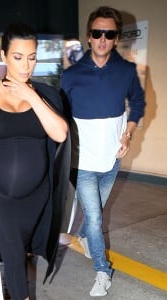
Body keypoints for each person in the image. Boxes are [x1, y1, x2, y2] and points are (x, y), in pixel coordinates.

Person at [0, 22, 69, 300]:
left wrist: (30, 94)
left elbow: (60, 133)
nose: (25, 65)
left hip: (34, 197)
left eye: (31, 57)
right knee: (14, 251)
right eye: (18, 57)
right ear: (4, 55)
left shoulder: (48, 94)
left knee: (17, 250)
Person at [60, 6, 146, 297]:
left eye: (109, 34)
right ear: (88, 37)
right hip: (83, 162)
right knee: (96, 217)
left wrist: (128, 133)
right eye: (97, 33)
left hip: (112, 161)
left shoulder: (126, 72)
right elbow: (60, 117)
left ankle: (83, 237)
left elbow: (139, 103)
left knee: (93, 217)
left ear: (116, 37)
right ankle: (102, 271)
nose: (102, 39)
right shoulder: (71, 76)